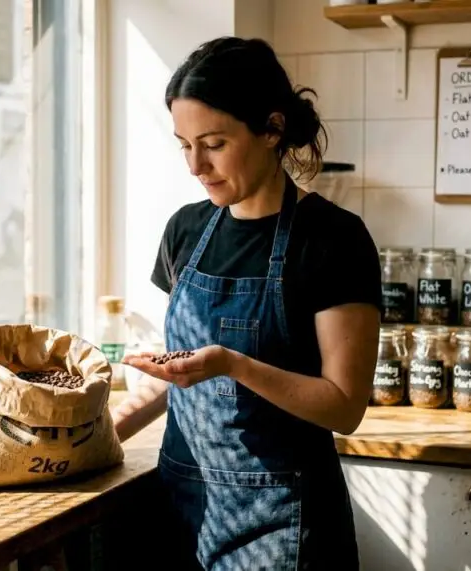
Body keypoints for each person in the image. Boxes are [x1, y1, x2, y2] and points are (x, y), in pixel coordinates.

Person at [114, 36, 382, 571]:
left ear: (271, 130)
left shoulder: (332, 239)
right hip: (183, 506)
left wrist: (232, 365)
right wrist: (94, 435)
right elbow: (177, 374)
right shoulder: (185, 231)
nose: (195, 164)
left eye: (213, 143)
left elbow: (345, 406)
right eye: (183, 144)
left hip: (281, 522)